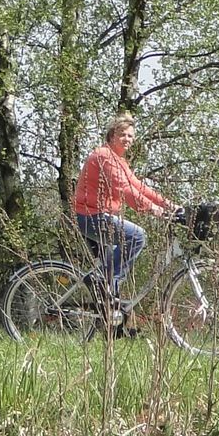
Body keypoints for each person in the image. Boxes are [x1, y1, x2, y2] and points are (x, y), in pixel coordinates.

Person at [72, 114, 178, 300]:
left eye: (130, 136)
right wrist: (153, 209)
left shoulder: (119, 161)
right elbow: (124, 189)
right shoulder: (104, 156)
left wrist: (169, 205)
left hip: (97, 216)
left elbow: (138, 186)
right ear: (112, 136)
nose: (127, 139)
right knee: (136, 236)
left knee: (114, 261)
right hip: (90, 216)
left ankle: (110, 312)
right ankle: (103, 281)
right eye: (123, 134)